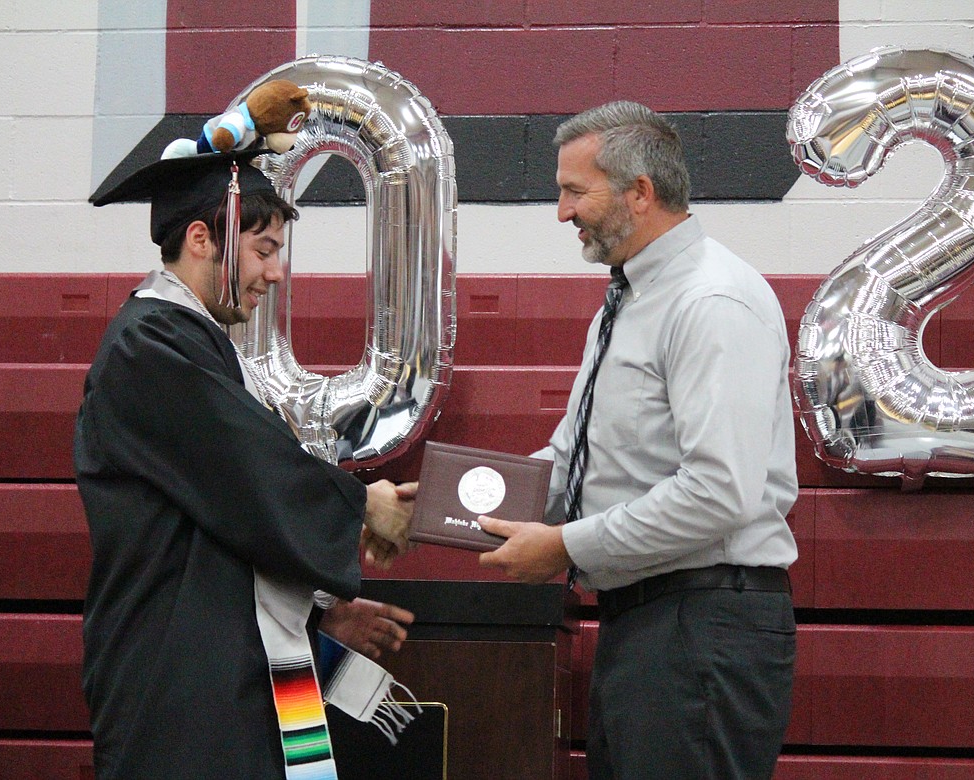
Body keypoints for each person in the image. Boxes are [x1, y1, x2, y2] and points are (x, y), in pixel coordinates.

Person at [478, 101, 799, 779]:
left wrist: (564, 545)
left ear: (640, 193)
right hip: (650, 627)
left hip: (701, 626)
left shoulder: (710, 302)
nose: (563, 213)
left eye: (574, 191)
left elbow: (718, 494)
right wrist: (454, 499)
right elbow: (572, 459)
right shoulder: (629, 298)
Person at [77, 148, 416, 779]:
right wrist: (365, 506)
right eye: (263, 249)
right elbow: (248, 471)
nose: (278, 273)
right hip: (179, 677)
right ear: (202, 239)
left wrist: (319, 611)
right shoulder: (146, 346)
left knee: (303, 768)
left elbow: (222, 521)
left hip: (244, 665)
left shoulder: (195, 344)